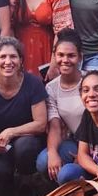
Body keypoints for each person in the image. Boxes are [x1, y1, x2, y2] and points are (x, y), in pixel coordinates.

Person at [0, 37, 47, 190]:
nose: (8, 62)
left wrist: (12, 132)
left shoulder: (33, 83)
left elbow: (41, 124)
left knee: (25, 147)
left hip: (25, 139)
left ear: (21, 60)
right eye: (2, 57)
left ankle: (25, 181)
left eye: (13, 56)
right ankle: (6, 182)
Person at [35, 29, 86, 183]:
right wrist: (52, 152)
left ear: (80, 57)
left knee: (70, 172)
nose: (65, 60)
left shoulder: (92, 81)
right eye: (60, 55)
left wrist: (85, 154)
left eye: (71, 55)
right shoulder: (51, 88)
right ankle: (61, 190)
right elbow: (55, 126)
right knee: (44, 161)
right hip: (73, 142)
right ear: (54, 56)